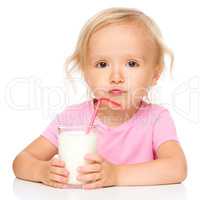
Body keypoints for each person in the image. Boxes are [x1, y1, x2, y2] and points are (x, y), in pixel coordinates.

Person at [13, 7, 187, 190]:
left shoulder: (156, 118)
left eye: (132, 63)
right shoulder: (72, 119)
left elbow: (177, 168)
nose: (116, 77)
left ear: (155, 74)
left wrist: (116, 175)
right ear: (86, 73)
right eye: (102, 64)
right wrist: (42, 171)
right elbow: (21, 161)